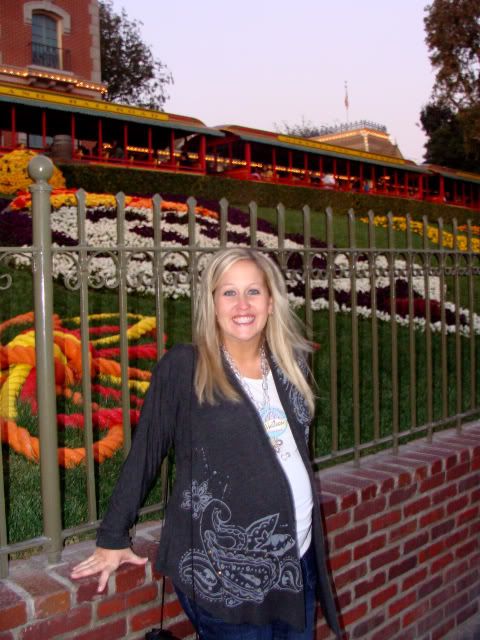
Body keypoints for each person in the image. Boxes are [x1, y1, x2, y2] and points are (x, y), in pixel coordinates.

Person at [71, 247, 343, 639]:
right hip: (223, 572)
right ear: (212, 303)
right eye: (229, 292)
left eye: (253, 291)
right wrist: (113, 536)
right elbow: (146, 452)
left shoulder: (291, 363)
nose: (242, 304)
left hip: (297, 559)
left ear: (271, 301)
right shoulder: (186, 367)